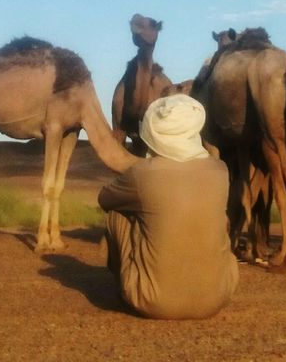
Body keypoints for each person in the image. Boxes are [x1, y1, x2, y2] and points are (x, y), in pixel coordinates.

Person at [81, 94, 238, 320]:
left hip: (152, 303)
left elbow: (105, 199)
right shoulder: (220, 170)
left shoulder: (142, 173)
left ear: (152, 131)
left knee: (117, 214)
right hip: (218, 299)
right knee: (217, 218)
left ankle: (128, 288)